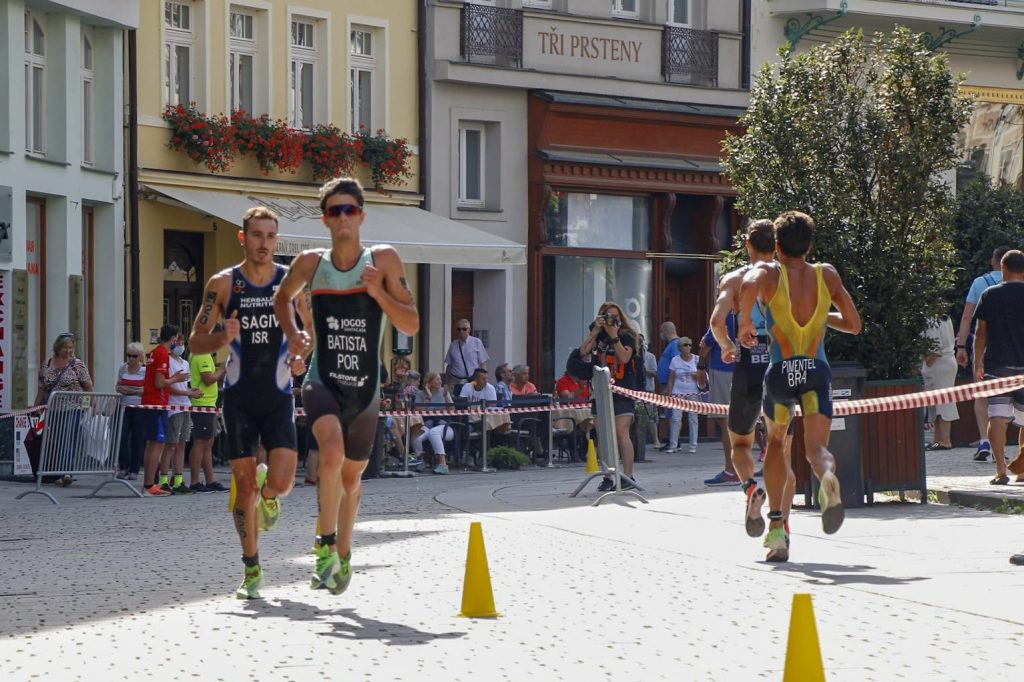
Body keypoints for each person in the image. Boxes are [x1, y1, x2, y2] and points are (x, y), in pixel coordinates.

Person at [274, 177, 419, 596]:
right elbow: (283, 298)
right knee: (330, 453)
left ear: (361, 216)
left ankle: (344, 549)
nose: (342, 218)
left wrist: (379, 293)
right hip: (322, 379)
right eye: (335, 211)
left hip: (366, 390)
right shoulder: (309, 264)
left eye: (349, 210)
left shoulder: (384, 260)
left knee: (352, 480)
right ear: (325, 219)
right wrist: (295, 334)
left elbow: (411, 322)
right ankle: (323, 549)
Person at [189, 206, 313, 599]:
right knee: (243, 488)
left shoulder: (289, 283)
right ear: (243, 238)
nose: (264, 243)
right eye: (256, 235)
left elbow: (308, 332)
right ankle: (252, 571)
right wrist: (221, 338)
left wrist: (300, 357)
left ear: (277, 240)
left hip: (277, 397)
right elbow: (195, 341)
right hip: (240, 398)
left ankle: (270, 493)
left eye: (270, 236)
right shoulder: (223, 284)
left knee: (283, 482)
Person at [739, 211, 861, 562]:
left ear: (775, 246)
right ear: (809, 245)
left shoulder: (770, 273)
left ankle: (777, 531)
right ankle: (826, 477)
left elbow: (748, 285)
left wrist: (746, 321)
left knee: (776, 443)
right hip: (816, 370)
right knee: (816, 448)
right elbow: (854, 324)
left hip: (781, 371)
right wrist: (823, 315)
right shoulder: (827, 275)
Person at [709, 219, 776, 537]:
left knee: (740, 443)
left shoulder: (735, 280)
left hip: (750, 361)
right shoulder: (787, 276)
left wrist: (726, 347)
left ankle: (751, 488)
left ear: (747, 245)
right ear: (777, 246)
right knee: (780, 446)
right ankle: (780, 523)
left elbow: (717, 320)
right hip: (782, 360)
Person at [972, 249, 1024, 487]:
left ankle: (1001, 470)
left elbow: (981, 332)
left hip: (998, 366)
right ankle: (1022, 471)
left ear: (1002, 268)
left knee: (998, 417)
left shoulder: (989, 294)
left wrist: (977, 361)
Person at [956, 245, 1010, 462]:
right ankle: (1002, 444)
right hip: (1012, 347)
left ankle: (984, 440)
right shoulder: (1019, 282)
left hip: (984, 345)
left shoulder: (980, 283)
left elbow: (968, 316)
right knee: (1007, 397)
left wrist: (961, 345)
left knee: (981, 395)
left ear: (993, 261)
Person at [579, 301, 640, 491]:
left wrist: (615, 337)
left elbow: (625, 358)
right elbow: (583, 352)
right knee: (604, 437)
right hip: (601, 392)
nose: (612, 321)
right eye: (608, 317)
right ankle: (608, 477)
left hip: (622, 391)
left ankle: (628, 477)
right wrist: (595, 331)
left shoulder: (627, 336)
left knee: (622, 435)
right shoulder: (599, 335)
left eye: (616, 316)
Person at [141, 324, 189, 497]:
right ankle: (149, 484)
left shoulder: (155, 352)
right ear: (173, 338)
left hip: (152, 402)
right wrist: (177, 378)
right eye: (177, 338)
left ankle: (149, 483)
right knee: (157, 444)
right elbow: (159, 382)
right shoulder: (162, 354)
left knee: (153, 443)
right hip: (157, 402)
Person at [158, 333, 203, 494]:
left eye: (182, 342)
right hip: (173, 407)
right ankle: (163, 479)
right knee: (170, 444)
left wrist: (192, 391)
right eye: (177, 342)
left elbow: (185, 385)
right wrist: (186, 394)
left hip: (185, 406)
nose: (180, 345)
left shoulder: (184, 362)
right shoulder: (168, 361)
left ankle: (178, 479)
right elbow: (167, 386)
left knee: (182, 444)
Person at [700, 317, 738, 486]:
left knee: (726, 422)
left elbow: (706, 343)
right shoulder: (750, 310)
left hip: (723, 369)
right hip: (747, 371)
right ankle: (740, 469)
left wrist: (700, 365)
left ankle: (731, 471)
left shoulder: (724, 315)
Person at [189, 348, 227, 492]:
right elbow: (208, 379)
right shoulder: (203, 354)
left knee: (208, 442)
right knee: (200, 442)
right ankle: (194, 481)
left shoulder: (201, 354)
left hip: (208, 403)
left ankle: (210, 480)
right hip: (202, 402)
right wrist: (222, 370)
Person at [921, 314, 959, 451]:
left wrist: (926, 364)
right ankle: (938, 439)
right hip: (947, 361)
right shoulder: (946, 317)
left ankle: (945, 440)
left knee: (943, 403)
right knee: (938, 403)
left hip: (938, 363)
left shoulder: (930, 319)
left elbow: (934, 348)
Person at [665, 337, 703, 454]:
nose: (688, 347)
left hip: (693, 391)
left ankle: (693, 445)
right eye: (685, 345)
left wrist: (696, 375)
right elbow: (671, 379)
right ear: (680, 347)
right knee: (676, 418)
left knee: (693, 418)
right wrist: (669, 393)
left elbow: (703, 379)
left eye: (690, 345)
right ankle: (673, 445)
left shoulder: (696, 359)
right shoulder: (675, 360)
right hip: (678, 391)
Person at [35, 332, 94, 406]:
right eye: (65, 347)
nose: (68, 350)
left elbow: (89, 387)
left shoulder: (78, 364)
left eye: (70, 348)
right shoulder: (47, 364)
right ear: (58, 348)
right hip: (51, 409)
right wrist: (35, 408)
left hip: (75, 410)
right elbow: (41, 389)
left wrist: (87, 406)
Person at [413, 372, 455, 474]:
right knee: (416, 436)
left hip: (444, 425)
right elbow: (418, 411)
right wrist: (428, 396)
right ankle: (421, 460)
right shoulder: (420, 394)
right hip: (427, 424)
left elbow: (452, 410)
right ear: (429, 382)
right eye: (437, 379)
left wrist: (446, 396)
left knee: (434, 433)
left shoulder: (444, 392)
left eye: (440, 379)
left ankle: (443, 464)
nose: (440, 381)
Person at [115, 342, 146, 480]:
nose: (131, 359)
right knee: (121, 437)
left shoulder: (145, 371)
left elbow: (145, 391)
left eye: (134, 356)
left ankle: (134, 469)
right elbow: (118, 385)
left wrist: (130, 391)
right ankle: (123, 466)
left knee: (137, 438)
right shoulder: (123, 368)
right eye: (129, 356)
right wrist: (121, 389)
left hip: (139, 409)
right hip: (124, 407)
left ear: (140, 356)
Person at [443, 319, 488, 395]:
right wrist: (446, 383)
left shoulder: (477, 342)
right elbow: (449, 365)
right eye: (459, 329)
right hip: (456, 380)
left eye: (464, 329)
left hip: (472, 379)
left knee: (472, 400)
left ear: (469, 330)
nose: (461, 331)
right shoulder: (453, 345)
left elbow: (482, 362)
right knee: (455, 401)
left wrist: (484, 380)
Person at [656, 321, 681, 452]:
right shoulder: (672, 345)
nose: (661, 335)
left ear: (665, 331)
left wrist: (670, 386)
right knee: (669, 413)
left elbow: (676, 365)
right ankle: (673, 440)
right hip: (666, 382)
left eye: (661, 331)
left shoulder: (675, 344)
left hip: (669, 384)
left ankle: (674, 441)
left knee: (671, 413)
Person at [639, 334, 661, 448]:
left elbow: (655, 374)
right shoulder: (632, 356)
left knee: (652, 417)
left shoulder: (650, 357)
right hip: (636, 392)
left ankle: (656, 439)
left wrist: (645, 371)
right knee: (639, 417)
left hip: (649, 391)